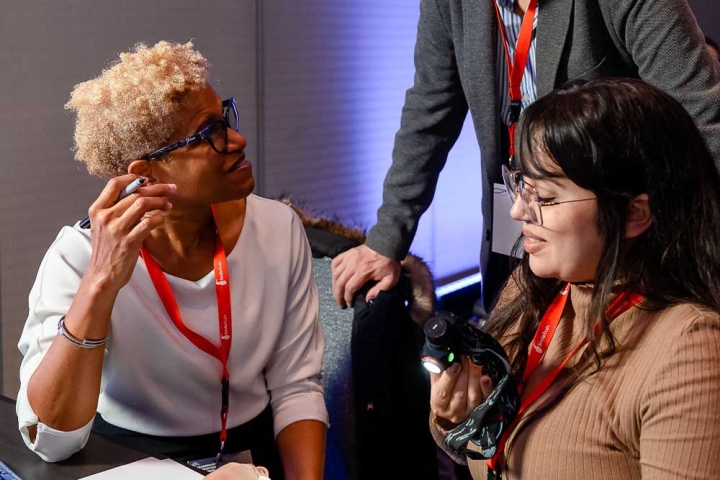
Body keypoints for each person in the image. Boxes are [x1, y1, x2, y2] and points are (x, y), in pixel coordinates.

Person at [15, 41, 328, 480]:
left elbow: (297, 388)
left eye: (227, 118)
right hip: (126, 461)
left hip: (251, 459)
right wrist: (100, 283)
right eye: (210, 134)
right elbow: (51, 441)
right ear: (150, 173)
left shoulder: (278, 228)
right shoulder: (78, 256)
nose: (237, 140)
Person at [330, 0, 720, 318]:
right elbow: (427, 114)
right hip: (512, 212)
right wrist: (386, 240)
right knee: (508, 358)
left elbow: (702, 119)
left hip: (615, 237)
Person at [428, 78, 720, 479]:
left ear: (634, 214)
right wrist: (456, 418)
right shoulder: (531, 288)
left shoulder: (689, 348)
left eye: (545, 197)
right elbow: (481, 451)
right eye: (521, 184)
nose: (517, 211)